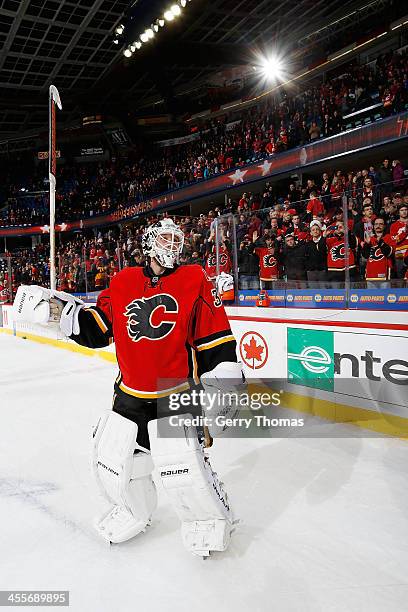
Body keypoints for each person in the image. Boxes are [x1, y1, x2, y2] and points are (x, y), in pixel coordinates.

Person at [13, 219, 242, 558]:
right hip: (130, 394)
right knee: (119, 463)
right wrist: (58, 313)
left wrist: (225, 376)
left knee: (184, 467)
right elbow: (98, 328)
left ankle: (207, 519)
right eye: (164, 238)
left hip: (176, 392)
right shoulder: (122, 282)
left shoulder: (194, 279)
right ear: (148, 243)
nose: (172, 245)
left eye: (176, 239)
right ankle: (134, 511)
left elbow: (213, 336)